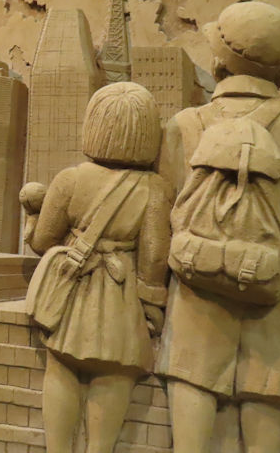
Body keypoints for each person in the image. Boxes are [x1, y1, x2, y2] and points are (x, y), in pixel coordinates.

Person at [157, 1, 280, 453]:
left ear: (219, 62)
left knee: (193, 384)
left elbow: (166, 206)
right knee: (267, 391)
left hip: (198, 286)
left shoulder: (186, 123)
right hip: (275, 288)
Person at [24, 82, 171, 453]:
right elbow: (154, 258)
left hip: (73, 294)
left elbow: (43, 242)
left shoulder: (70, 180)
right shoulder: (155, 189)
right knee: (113, 375)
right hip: (120, 299)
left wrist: (31, 217)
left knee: (61, 367)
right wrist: (153, 306)